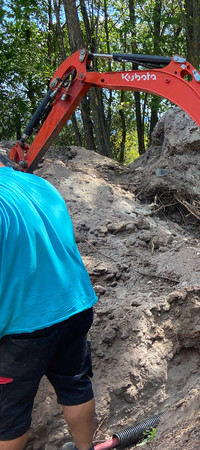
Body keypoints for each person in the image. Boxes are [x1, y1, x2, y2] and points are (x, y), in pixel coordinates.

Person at [0, 153, 98, 450]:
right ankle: (85, 448)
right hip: (75, 304)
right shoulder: (40, 185)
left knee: (10, 413)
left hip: (23, 325)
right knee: (76, 384)